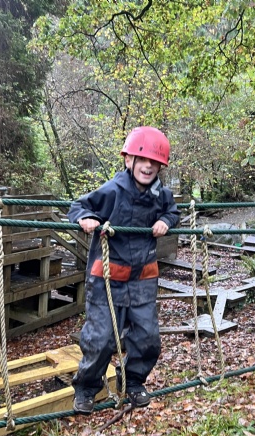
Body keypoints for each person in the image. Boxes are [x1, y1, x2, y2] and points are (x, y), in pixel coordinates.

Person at [67, 126, 181, 414]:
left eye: (154, 162)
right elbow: (78, 206)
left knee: (147, 338)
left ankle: (133, 382)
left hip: (142, 279)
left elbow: (173, 212)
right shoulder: (112, 191)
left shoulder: (161, 195)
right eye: (142, 160)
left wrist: (166, 221)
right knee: (101, 338)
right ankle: (86, 388)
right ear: (128, 160)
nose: (148, 166)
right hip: (107, 278)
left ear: (161, 166)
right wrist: (87, 218)